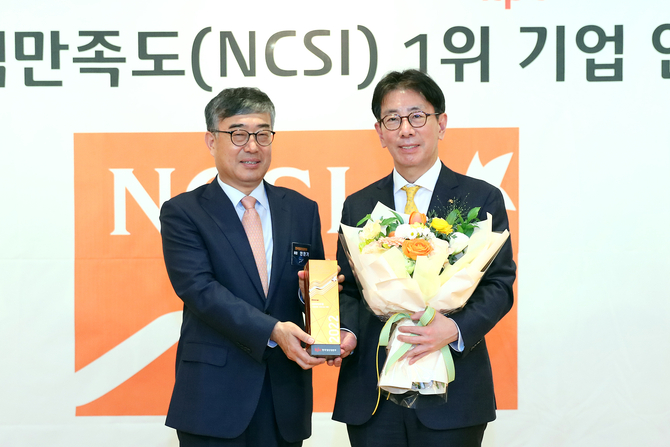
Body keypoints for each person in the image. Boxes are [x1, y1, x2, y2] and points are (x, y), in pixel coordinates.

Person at [332, 69, 517, 446]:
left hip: (453, 392)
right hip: (374, 393)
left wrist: (455, 328)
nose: (405, 130)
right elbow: (349, 289)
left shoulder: (480, 198)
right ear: (380, 132)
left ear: (441, 123)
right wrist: (346, 331)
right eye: (392, 119)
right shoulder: (359, 204)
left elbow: (499, 285)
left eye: (417, 116)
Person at [160, 87, 327, 447]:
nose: (252, 146)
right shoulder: (183, 212)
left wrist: (318, 304)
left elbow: (315, 287)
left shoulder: (302, 209)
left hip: (285, 397)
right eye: (238, 134)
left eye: (262, 134)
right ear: (211, 140)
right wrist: (273, 330)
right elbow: (200, 291)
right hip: (213, 398)